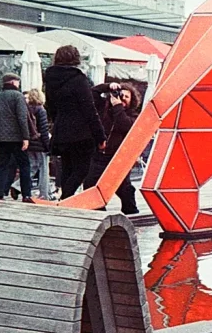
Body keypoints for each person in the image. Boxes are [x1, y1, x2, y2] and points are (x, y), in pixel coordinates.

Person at [45, 45, 106, 199]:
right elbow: (89, 109)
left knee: (67, 169)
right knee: (82, 169)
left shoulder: (51, 79)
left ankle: (65, 203)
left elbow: (50, 106)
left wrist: (58, 123)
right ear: (76, 58)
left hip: (61, 131)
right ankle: (65, 198)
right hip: (82, 133)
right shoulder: (79, 79)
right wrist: (100, 136)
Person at [83, 81, 141, 214]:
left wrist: (118, 106)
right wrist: (108, 87)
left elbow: (123, 125)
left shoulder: (133, 116)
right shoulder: (104, 108)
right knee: (90, 183)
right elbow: (92, 93)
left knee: (123, 187)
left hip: (119, 157)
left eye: (126, 97)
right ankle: (99, 211)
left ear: (132, 101)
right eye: (121, 95)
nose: (123, 99)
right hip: (100, 155)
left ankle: (131, 211)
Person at [0, 73, 33, 202]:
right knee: (24, 165)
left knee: (3, 165)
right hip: (17, 137)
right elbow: (22, 118)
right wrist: (26, 137)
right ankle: (26, 195)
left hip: (2, 137)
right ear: (14, 82)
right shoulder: (18, 96)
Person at [11, 89, 53, 200]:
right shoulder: (41, 110)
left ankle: (17, 185)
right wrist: (48, 146)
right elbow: (43, 130)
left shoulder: (27, 110)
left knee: (32, 166)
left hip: (30, 142)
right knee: (44, 169)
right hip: (40, 144)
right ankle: (44, 194)